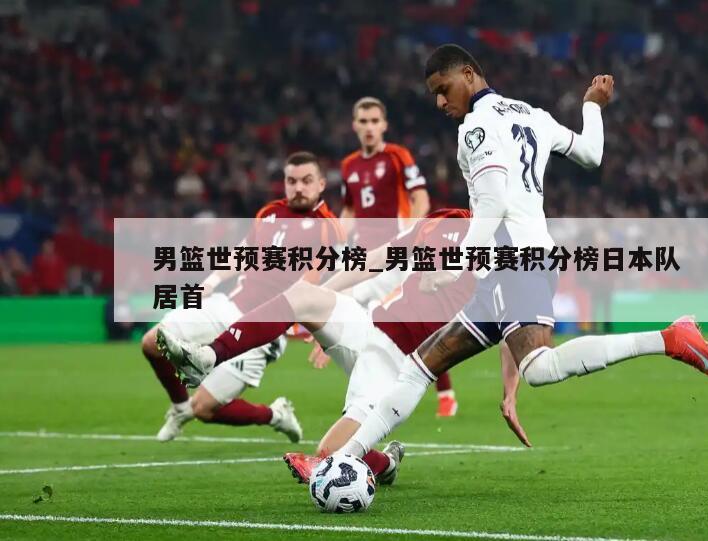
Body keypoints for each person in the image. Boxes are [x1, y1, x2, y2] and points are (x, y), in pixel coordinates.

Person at [324, 44, 708, 461]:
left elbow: (493, 201)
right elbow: (592, 154)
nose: (440, 102)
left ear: (468, 74)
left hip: (513, 258)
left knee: (538, 367)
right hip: (515, 262)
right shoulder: (534, 115)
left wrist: (456, 264)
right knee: (418, 367)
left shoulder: (475, 127)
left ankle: (669, 338)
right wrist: (592, 106)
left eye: (443, 89)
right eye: (435, 95)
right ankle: (344, 459)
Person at [157, 209, 487, 484]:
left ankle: (385, 464)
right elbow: (376, 259)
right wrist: (325, 304)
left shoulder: (501, 243)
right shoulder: (442, 220)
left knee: (329, 452)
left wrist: (510, 388)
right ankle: (208, 356)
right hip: (369, 326)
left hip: (399, 363)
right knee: (304, 295)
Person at [141, 151, 340, 442]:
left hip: (264, 329)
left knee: (204, 409)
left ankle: (275, 415)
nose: (298, 188)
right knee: (152, 342)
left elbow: (314, 286)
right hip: (228, 305)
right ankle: (180, 408)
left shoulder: (328, 228)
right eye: (292, 181)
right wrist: (211, 281)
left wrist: (324, 335)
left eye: (306, 181)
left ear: (321, 184)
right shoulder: (269, 212)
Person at [339, 96, 458, 417]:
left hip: (396, 256)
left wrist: (411, 236)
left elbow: (421, 199)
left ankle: (445, 393)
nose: (369, 127)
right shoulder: (349, 165)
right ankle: (370, 390)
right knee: (360, 321)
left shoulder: (397, 156)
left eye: (374, 121)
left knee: (417, 322)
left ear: (384, 125)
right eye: (363, 121)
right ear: (354, 125)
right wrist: (337, 238)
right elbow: (349, 210)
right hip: (365, 257)